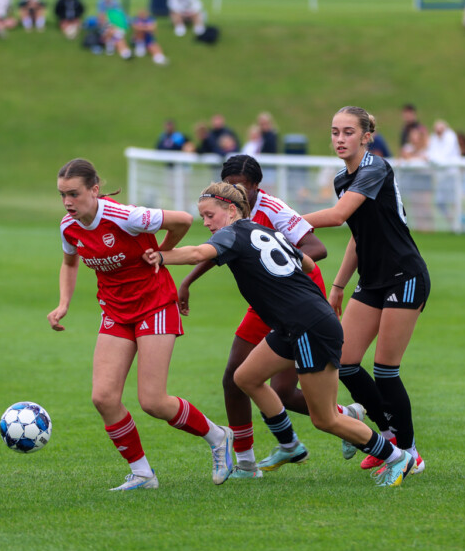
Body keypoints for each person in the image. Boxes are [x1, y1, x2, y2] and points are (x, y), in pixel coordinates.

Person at [153, 181, 416, 486]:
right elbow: (305, 263)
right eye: (203, 218)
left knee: (326, 419)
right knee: (245, 377)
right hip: (296, 324)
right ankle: (289, 444)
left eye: (210, 215)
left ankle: (398, 457)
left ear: (231, 209)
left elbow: (199, 252)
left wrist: (159, 256)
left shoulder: (232, 233)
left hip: (308, 326)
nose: (207, 222)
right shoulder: (264, 231)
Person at [48, 158, 233, 490]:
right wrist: (63, 304)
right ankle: (142, 474)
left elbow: (183, 220)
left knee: (153, 401)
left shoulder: (126, 217)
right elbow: (69, 262)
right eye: (62, 195)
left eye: (74, 194)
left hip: (155, 303)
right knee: (104, 397)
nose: (67, 202)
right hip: (116, 311)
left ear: (94, 190)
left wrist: (161, 252)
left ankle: (218, 436)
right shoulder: (69, 226)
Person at [174, 156, 336, 477]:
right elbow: (218, 248)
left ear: (256, 187)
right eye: (229, 185)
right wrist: (188, 280)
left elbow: (317, 248)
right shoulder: (228, 215)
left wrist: (278, 257)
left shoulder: (272, 209)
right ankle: (247, 463)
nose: (236, 191)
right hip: (265, 304)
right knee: (234, 379)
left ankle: (344, 421)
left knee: (283, 392)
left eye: (242, 186)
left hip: (296, 300)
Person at [301, 106, 429, 476]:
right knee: (345, 362)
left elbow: (339, 216)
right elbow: (357, 237)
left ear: (366, 136)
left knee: (386, 371)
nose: (340, 139)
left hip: (405, 276)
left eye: (348, 132)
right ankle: (387, 439)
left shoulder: (375, 169)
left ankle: (409, 452)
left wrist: (286, 219)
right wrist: (339, 286)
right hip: (372, 281)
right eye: (334, 132)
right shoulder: (345, 180)